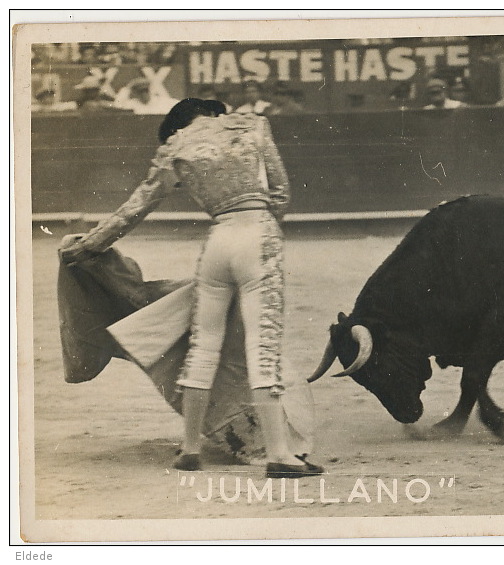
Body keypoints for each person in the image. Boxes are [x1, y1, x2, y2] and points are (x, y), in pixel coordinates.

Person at [59, 98, 323, 479]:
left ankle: (190, 449)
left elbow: (135, 208)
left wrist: (89, 247)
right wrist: (261, 227)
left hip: (217, 244)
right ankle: (279, 454)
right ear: (214, 112)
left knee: (203, 347)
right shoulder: (252, 126)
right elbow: (280, 193)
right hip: (258, 235)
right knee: (260, 346)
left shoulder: (175, 147)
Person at [113, 78, 180, 115]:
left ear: (149, 91)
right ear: (136, 94)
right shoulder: (132, 104)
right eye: (140, 92)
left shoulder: (162, 101)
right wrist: (127, 89)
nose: (144, 94)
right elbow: (117, 105)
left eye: (146, 91)